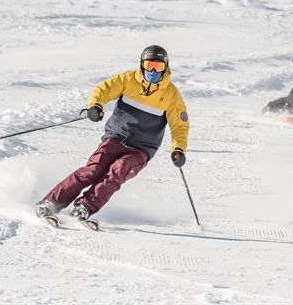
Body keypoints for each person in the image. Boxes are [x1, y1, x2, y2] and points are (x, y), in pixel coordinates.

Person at [36, 45, 190, 222]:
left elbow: (180, 125)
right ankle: (51, 203)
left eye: (158, 67)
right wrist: (96, 106)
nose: (153, 71)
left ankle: (85, 206)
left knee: (118, 171)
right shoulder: (128, 79)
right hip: (116, 137)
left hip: (141, 149)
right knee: (92, 170)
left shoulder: (171, 95)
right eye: (149, 66)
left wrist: (178, 149)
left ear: (165, 67)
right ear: (142, 65)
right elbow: (104, 89)